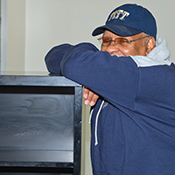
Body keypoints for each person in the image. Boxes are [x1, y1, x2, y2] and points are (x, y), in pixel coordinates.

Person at [45, 3, 175, 175]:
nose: (111, 48)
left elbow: (71, 64)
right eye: (106, 41)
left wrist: (91, 68)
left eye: (123, 41)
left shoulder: (143, 75)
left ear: (149, 45)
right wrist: (94, 72)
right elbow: (53, 57)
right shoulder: (118, 76)